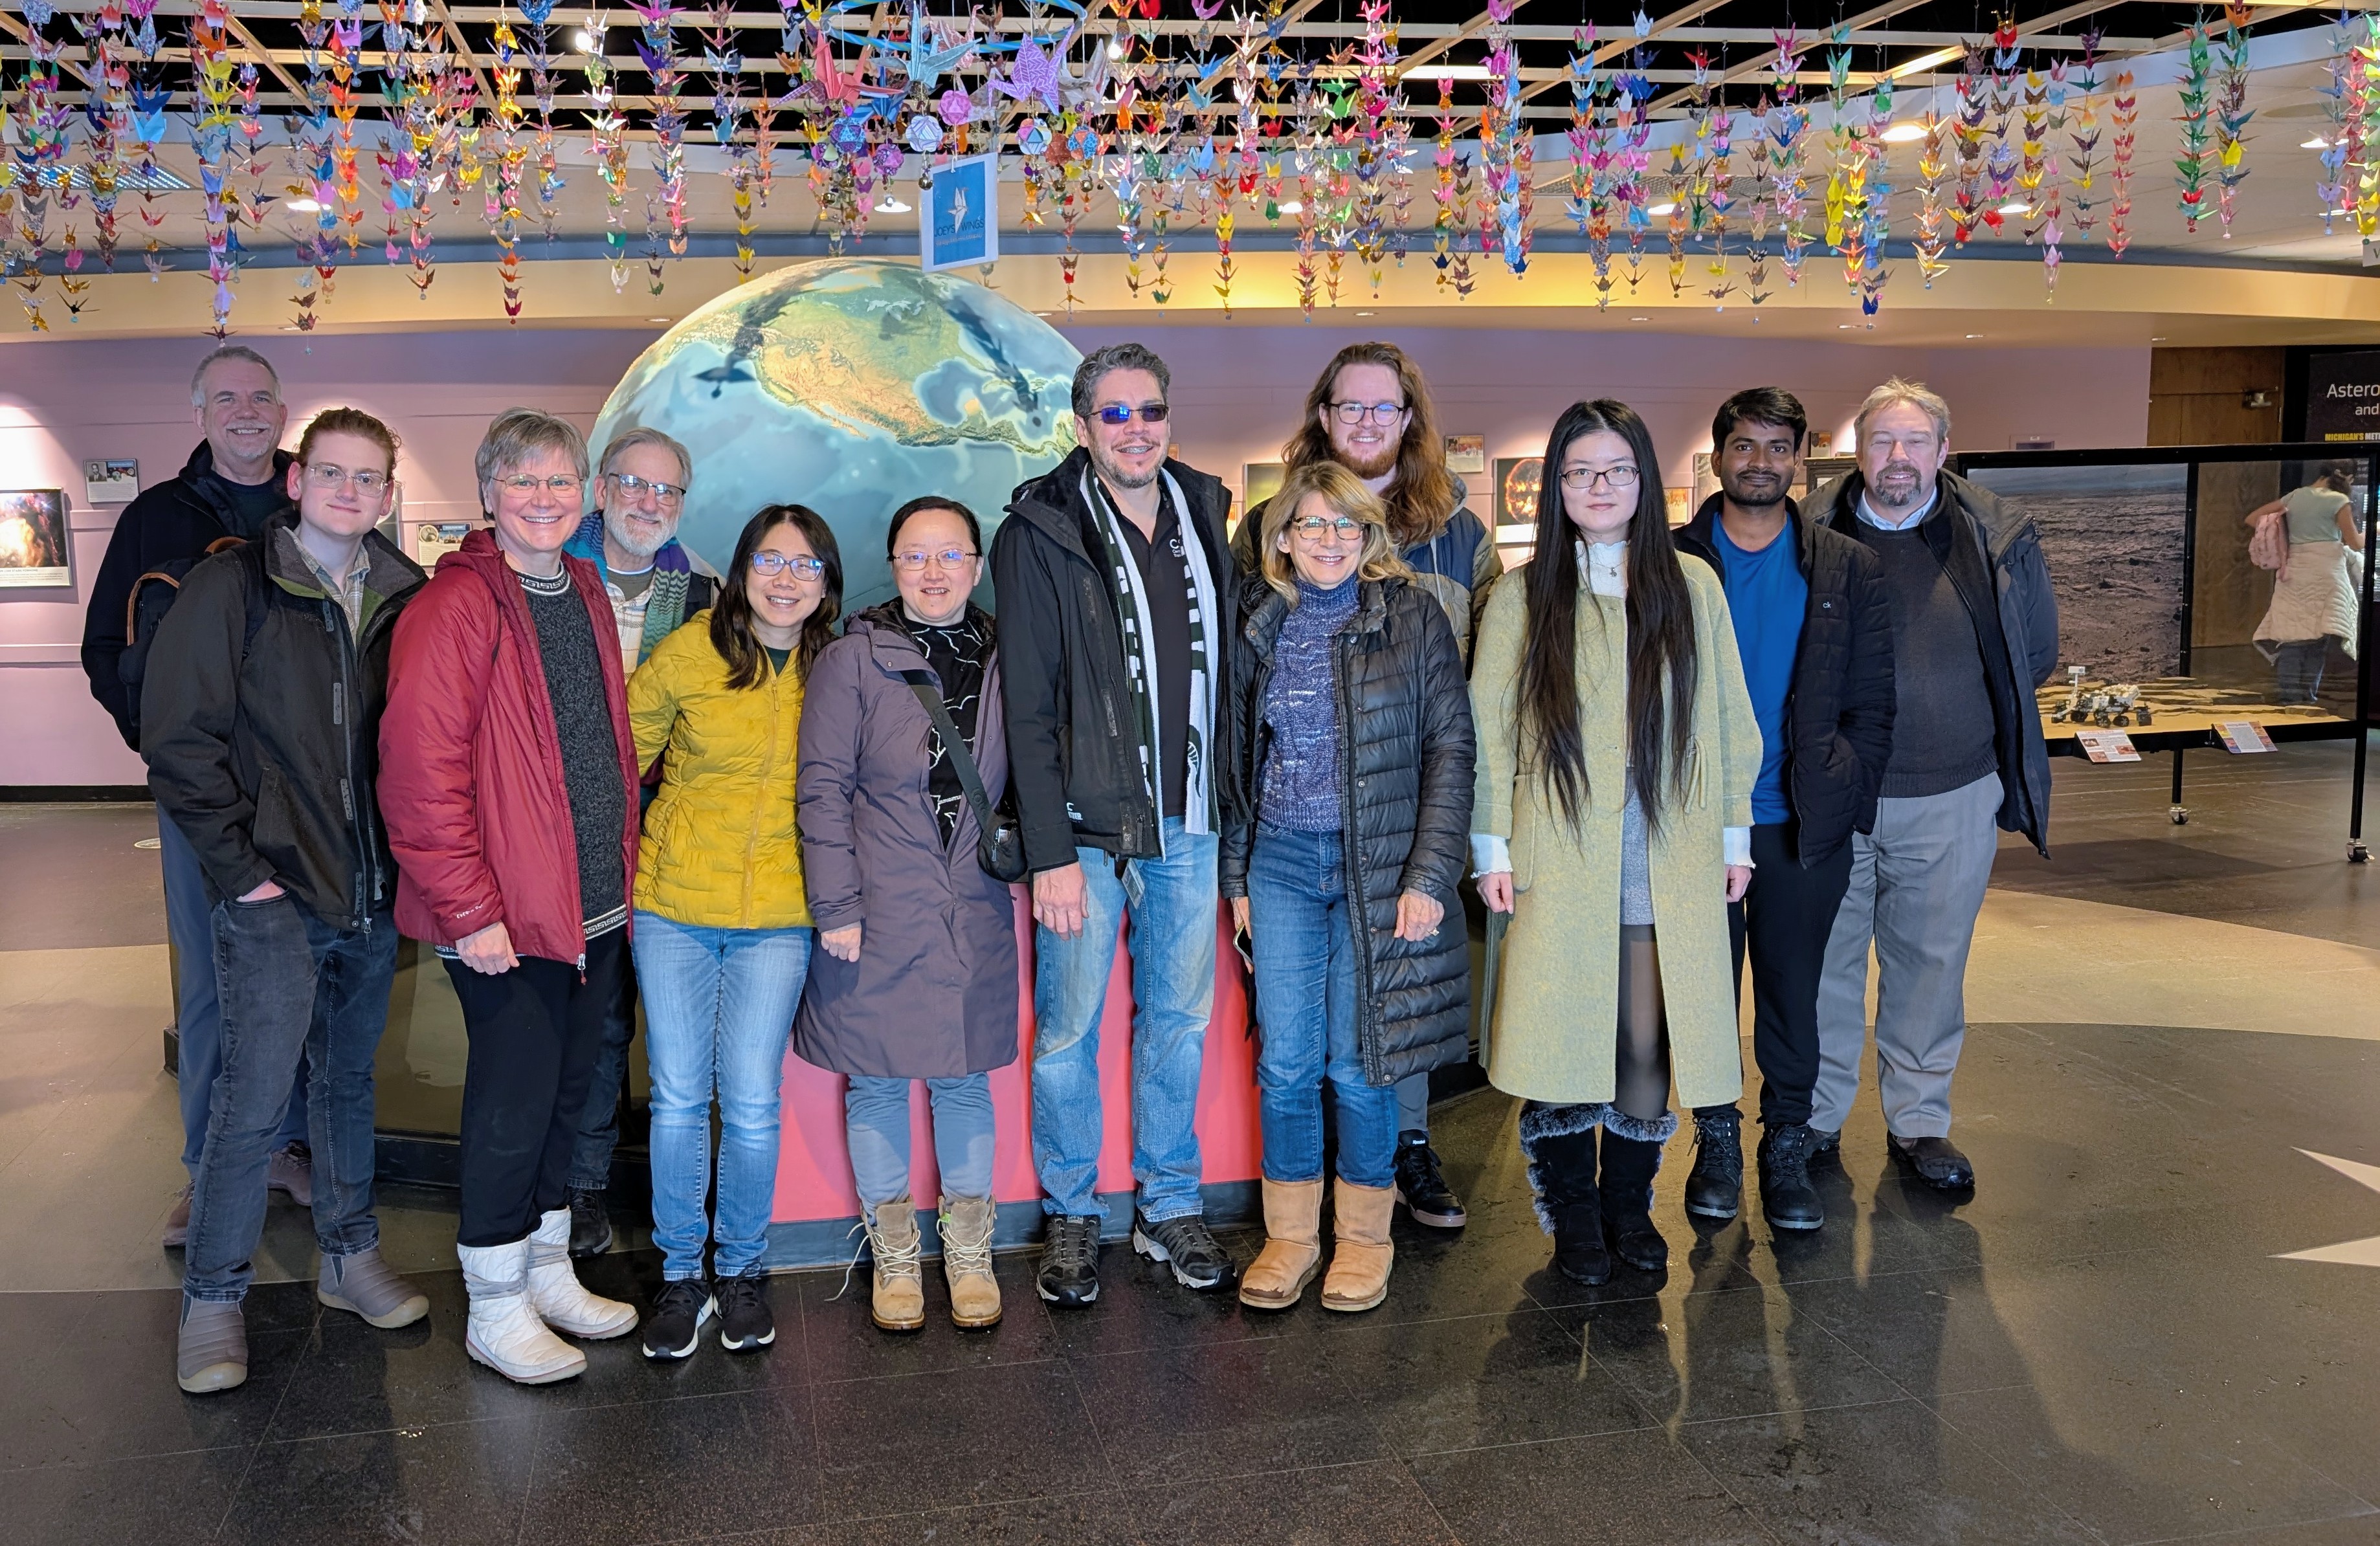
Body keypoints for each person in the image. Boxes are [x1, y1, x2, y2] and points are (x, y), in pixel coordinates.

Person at [142, 408, 432, 1393]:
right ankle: (214, 1297)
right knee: (253, 1101)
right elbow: (178, 740)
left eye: (371, 478)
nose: (352, 492)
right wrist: (242, 872)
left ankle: (351, 1255)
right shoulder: (235, 588)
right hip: (273, 891)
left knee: (347, 1087)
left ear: (390, 494)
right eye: (335, 473)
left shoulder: (403, 595)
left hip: (369, 891)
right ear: (298, 480)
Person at [379, 408, 643, 1385]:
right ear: (488, 493)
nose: (543, 498)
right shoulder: (455, 607)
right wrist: (469, 909)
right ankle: (494, 1301)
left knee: (568, 1103)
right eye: (523, 482)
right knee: (511, 1103)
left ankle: (544, 1268)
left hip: (594, 907)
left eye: (560, 482)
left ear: (585, 496)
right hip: (507, 915)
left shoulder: (579, 588)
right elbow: (419, 771)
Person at [1470, 400, 1759, 1285]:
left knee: (1642, 1045)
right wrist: (1493, 849)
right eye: (1580, 472)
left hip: (1662, 856)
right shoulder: (1521, 597)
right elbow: (1491, 729)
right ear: (1556, 486)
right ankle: (1572, 1221)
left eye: (1618, 470)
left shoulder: (1692, 587)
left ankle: (1630, 1208)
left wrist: (1732, 833)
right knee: (1561, 1041)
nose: (1600, 488)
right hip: (1556, 857)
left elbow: (1728, 719)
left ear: (1643, 480)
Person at [1231, 340, 1501, 1232]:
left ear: (1410, 419)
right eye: (1349, 408)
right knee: (1304, 1049)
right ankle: (1303, 1221)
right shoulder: (1267, 531)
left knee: (1390, 1033)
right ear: (1322, 415)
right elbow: (1244, 713)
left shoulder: (1456, 532)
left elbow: (1479, 687)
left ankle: (1396, 1173)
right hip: (1287, 839)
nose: (1366, 424)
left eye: (1384, 410)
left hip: (1403, 811)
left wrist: (1438, 853)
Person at [994, 342, 1240, 1307]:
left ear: (1168, 418)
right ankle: (1072, 1214)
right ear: (1082, 425)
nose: (1133, 430)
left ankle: (1168, 1205)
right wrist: (1049, 851)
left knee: (1177, 1024)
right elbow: (1029, 705)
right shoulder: (1039, 528)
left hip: (1191, 818)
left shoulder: (1206, 510)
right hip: (1085, 834)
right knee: (1067, 1034)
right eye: (1113, 415)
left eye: (1148, 412)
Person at [1219, 462, 1474, 1314]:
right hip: (1281, 864)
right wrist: (1238, 878)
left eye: (1346, 525)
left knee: (1361, 1064)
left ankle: (1364, 1239)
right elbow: (1231, 763)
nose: (1328, 540)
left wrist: (1430, 873)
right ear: (1282, 537)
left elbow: (1450, 750)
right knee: (1287, 1063)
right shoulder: (1257, 621)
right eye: (1310, 525)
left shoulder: (1413, 616)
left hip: (1378, 868)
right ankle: (1291, 1235)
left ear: (1368, 536)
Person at [80, 345, 314, 1248]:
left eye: (261, 395)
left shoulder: (316, 503)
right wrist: (167, 747)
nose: (246, 409)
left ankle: (287, 1146)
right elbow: (108, 651)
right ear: (202, 413)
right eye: (228, 397)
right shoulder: (155, 518)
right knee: (215, 983)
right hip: (203, 796)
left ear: (281, 408)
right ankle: (211, 1163)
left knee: (299, 973)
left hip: (305, 796)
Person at [1804, 379, 2059, 1193]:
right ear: (1857, 451)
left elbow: (2035, 652)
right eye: (1881, 441)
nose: (1897, 459)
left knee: (1930, 965)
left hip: (1951, 794)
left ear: (1944, 451)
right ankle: (1810, 1123)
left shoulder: (1995, 534)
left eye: (1914, 442)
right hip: (1831, 802)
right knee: (1821, 968)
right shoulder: (1807, 529)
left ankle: (1918, 1124)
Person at [1672, 388, 1895, 1233]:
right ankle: (1719, 1141)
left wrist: (1846, 785)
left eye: (1776, 446)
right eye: (1743, 444)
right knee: (1701, 995)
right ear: (1718, 454)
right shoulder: (1671, 558)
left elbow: (1873, 705)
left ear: (1800, 456)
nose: (1759, 461)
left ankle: (1786, 1145)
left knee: (1793, 994)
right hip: (1695, 823)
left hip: (1802, 821)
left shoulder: (1846, 566)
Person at [797, 497, 1018, 1334]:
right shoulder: (852, 659)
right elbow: (821, 789)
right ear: (893, 564)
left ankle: (968, 1256)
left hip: (970, 906)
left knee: (964, 1079)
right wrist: (837, 907)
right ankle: (894, 1257)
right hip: (877, 907)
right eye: (916, 555)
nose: (933, 571)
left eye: (950, 555)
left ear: (974, 563)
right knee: (879, 1081)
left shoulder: (1006, 654)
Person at [627, 504, 838, 1360]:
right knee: (679, 1098)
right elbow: (622, 757)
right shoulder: (689, 652)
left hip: (780, 917)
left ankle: (742, 1270)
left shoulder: (839, 667)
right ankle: (682, 1276)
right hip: (675, 905)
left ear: (826, 581)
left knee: (751, 1104)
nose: (784, 579)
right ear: (744, 568)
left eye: (805, 564)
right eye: (769, 559)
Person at [559, 425, 718, 1258]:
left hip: (661, 842)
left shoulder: (703, 597)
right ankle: (578, 1189)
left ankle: (672, 1199)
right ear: (601, 489)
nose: (649, 503)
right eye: (633, 484)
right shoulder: (546, 576)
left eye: (667, 491)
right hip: (560, 839)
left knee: (660, 1027)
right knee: (588, 1025)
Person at [2246, 463, 2364, 703]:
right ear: (2348, 478)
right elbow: (2356, 543)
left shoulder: (2295, 496)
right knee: (2318, 640)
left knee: (2292, 638)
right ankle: (2307, 698)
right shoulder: (2338, 500)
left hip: (2295, 571)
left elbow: (2253, 519)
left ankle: (2289, 698)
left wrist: (2286, 535)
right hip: (2325, 572)